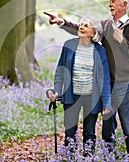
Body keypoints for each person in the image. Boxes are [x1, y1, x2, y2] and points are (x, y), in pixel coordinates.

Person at [45, 0, 129, 159]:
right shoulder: (106, 25)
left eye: (113, 1)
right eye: (109, 1)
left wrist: (122, 40)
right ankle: (108, 157)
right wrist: (62, 22)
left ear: (124, 5)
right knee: (107, 128)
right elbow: (86, 30)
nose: (109, 4)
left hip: (123, 83)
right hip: (106, 84)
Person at [46, 16, 112, 156]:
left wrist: (106, 103)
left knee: (89, 132)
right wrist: (57, 91)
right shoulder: (69, 45)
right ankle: (70, 158)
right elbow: (60, 71)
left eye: (86, 26)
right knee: (70, 131)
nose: (81, 27)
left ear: (93, 33)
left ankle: (89, 158)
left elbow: (104, 79)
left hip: (91, 97)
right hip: (72, 95)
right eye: (81, 24)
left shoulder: (100, 51)